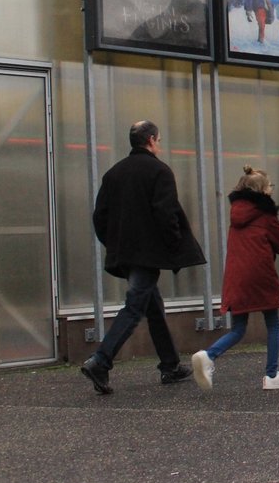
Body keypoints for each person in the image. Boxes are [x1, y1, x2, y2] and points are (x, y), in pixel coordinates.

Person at [81, 120, 206, 394]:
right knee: (135, 306)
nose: (159, 144)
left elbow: (99, 217)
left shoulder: (113, 173)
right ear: (150, 140)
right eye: (158, 140)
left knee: (153, 306)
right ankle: (100, 361)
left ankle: (170, 365)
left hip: (123, 254)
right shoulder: (159, 171)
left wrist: (113, 243)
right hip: (147, 254)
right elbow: (166, 214)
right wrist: (173, 246)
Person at [191, 166, 279, 391]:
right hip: (261, 275)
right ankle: (272, 375)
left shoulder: (236, 213)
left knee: (238, 328)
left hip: (236, 277)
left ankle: (208, 355)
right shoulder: (266, 215)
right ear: (262, 191)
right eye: (269, 187)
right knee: (273, 324)